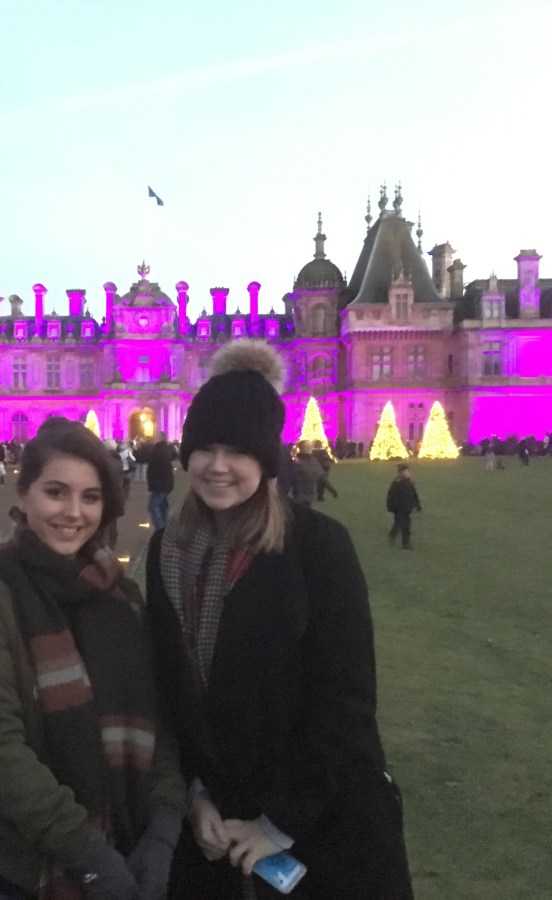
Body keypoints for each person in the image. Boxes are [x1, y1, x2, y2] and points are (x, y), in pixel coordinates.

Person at [145, 339, 412, 898]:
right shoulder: (166, 550)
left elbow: (346, 700)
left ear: (266, 461)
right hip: (216, 824)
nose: (218, 466)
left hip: (322, 824)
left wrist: (278, 822)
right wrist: (195, 795)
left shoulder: (317, 546)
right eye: (205, 448)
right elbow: (171, 691)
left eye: (238, 451)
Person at [0, 418, 186, 900]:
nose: (74, 512)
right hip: (21, 874)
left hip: (129, 843)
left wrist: (162, 830)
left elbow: (160, 723)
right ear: (23, 494)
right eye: (56, 492)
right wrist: (92, 858)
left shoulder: (124, 597)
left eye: (90, 497)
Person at [386, 464, 422, 550]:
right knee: (405, 525)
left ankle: (392, 535)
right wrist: (392, 507)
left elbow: (414, 495)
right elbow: (391, 496)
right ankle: (405, 543)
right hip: (401, 508)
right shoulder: (397, 483)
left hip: (406, 508)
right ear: (402, 472)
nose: (408, 473)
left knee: (398, 522)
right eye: (407, 471)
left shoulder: (408, 483)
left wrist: (417, 505)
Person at [146, 432, 176, 532]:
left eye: (156, 437)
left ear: (160, 438)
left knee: (153, 506)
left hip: (159, 484)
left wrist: (153, 482)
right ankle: (166, 527)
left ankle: (159, 529)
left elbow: (156, 469)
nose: (154, 438)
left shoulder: (158, 450)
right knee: (164, 506)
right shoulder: (165, 449)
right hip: (165, 483)